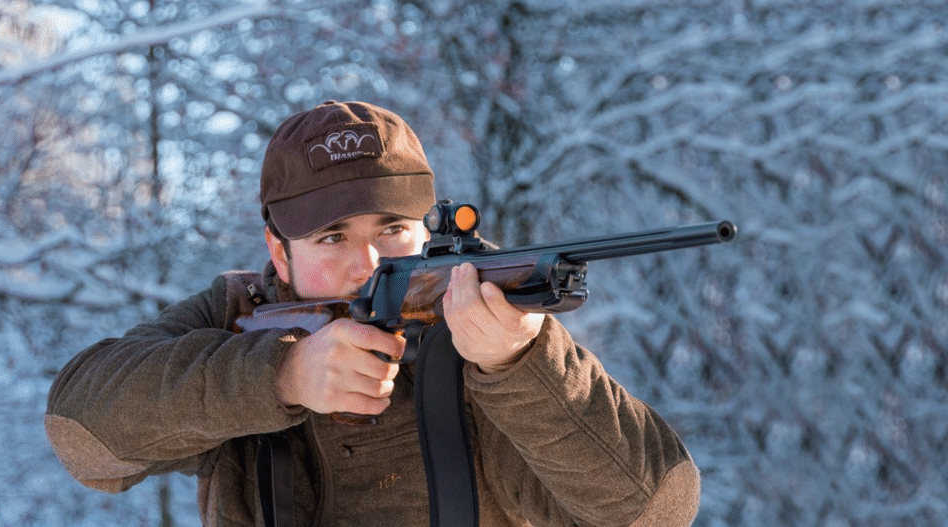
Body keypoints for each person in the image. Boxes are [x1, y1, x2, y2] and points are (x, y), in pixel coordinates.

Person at [46, 100, 700, 526]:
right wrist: (282, 376)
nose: (365, 260)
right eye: (332, 238)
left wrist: (521, 363)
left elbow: (658, 508)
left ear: (428, 226)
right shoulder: (240, 314)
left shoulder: (485, 319)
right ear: (279, 251)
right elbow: (82, 433)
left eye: (391, 228)